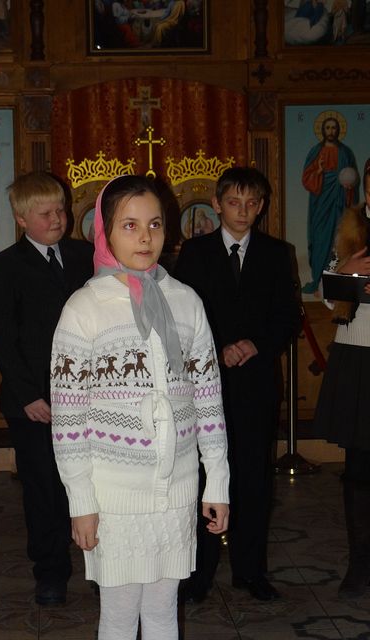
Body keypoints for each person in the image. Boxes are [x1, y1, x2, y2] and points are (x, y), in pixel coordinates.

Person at [50, 174, 229, 639]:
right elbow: (68, 419)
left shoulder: (186, 302)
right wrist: (81, 500)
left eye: (155, 224)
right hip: (114, 495)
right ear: (105, 232)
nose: (145, 237)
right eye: (129, 225)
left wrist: (218, 481)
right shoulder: (84, 308)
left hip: (176, 489)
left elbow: (208, 399)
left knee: (164, 612)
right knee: (118, 616)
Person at [174, 167, 299, 602]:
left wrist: (254, 343)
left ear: (261, 206)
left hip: (256, 383)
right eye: (234, 203)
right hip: (205, 382)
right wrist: (217, 348)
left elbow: (288, 316)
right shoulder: (195, 253)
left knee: (253, 477)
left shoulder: (277, 253)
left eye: (251, 204)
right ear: (217, 204)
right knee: (203, 475)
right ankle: (199, 573)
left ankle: (250, 570)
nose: (243, 211)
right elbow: (183, 314)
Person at [0, 171, 94, 605]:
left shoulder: (85, 255)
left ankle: (101, 565)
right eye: (45, 213)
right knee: (44, 487)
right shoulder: (6, 266)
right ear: (21, 218)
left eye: (61, 210)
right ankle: (50, 571)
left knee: (91, 483)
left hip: (88, 394)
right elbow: (2, 336)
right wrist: (28, 394)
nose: (57, 219)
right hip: (34, 401)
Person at [313, 159, 370, 599]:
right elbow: (325, 295)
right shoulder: (352, 227)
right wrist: (348, 270)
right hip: (358, 357)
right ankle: (360, 564)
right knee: (360, 470)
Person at [301, 115, 358, 294]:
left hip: (339, 204)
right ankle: (318, 279)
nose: (331, 131)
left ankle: (335, 281)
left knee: (338, 240)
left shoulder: (346, 153)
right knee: (320, 240)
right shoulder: (315, 152)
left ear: (338, 130)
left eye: (334, 128)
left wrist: (349, 187)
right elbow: (307, 179)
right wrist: (318, 171)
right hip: (321, 205)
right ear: (323, 130)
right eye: (328, 128)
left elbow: (353, 180)